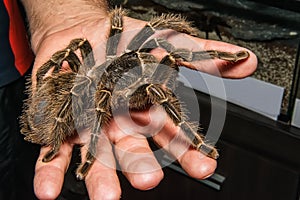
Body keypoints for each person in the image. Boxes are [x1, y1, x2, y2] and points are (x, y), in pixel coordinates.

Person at [1, 0, 257, 199]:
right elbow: (102, 95)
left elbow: (86, 43)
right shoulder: (128, 89)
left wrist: (70, 18)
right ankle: (197, 139)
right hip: (55, 110)